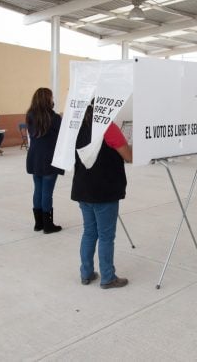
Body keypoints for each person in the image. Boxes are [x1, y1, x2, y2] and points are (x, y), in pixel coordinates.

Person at [72, 103, 132, 289]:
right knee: (106, 236)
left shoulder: (77, 129)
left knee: (89, 232)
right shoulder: (108, 128)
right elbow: (128, 156)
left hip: (83, 189)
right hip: (105, 190)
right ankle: (108, 277)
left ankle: (86, 273)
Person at [25, 88, 64, 234]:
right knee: (47, 192)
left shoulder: (30, 115)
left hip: (34, 158)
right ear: (48, 99)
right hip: (49, 158)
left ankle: (38, 224)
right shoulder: (54, 117)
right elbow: (61, 136)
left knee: (38, 190)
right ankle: (48, 225)